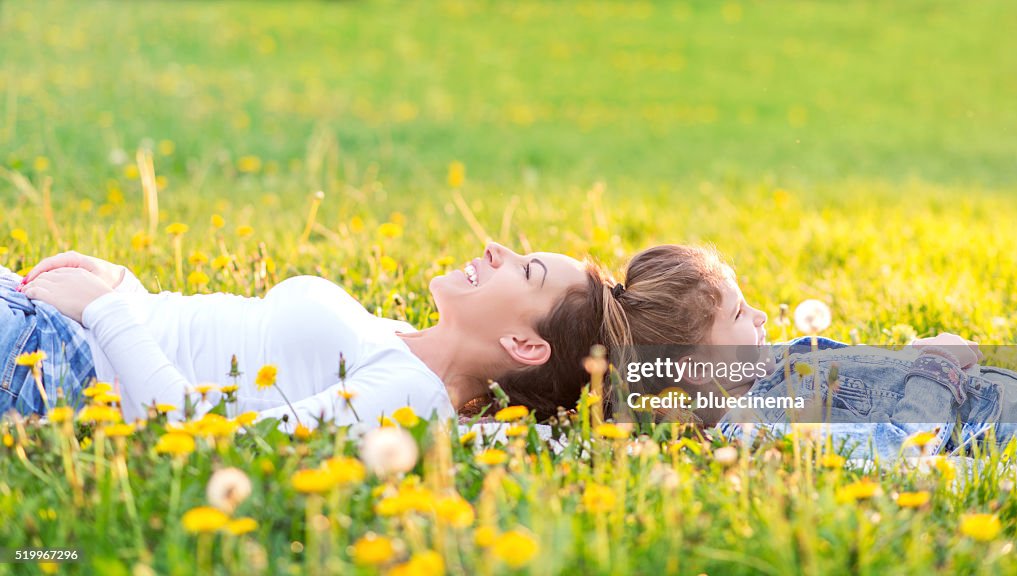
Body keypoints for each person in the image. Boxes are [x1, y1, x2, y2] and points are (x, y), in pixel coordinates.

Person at [2, 242, 630, 430]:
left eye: (527, 270)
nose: (498, 249)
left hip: (59, 362)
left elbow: (212, 441)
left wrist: (109, 314)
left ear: (525, 348)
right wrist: (123, 287)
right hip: (55, 322)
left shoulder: (408, 395)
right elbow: (227, 350)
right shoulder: (396, 338)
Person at [609, 244, 1017, 459]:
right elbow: (899, 451)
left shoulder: (769, 373)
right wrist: (939, 367)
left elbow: (868, 392)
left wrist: (910, 362)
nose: (760, 315)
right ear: (698, 369)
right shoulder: (763, 423)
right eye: (738, 314)